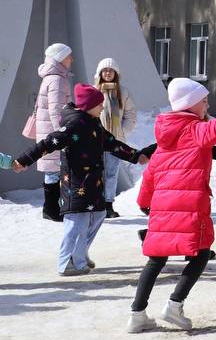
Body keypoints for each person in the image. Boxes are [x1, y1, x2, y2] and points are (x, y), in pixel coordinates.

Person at [129, 78, 216, 332]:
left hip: (162, 207)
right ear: (190, 105)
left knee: (155, 259)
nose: (207, 105)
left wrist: (144, 203)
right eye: (204, 101)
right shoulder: (194, 131)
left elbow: (150, 175)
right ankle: (174, 305)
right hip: (190, 206)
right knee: (201, 253)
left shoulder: (166, 138)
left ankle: (136, 314)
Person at [11, 84, 148, 276]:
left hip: (94, 182)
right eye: (99, 105)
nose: (102, 108)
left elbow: (110, 143)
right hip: (76, 183)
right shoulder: (74, 125)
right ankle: (66, 262)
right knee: (77, 221)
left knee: (99, 214)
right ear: (88, 106)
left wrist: (135, 155)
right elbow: (48, 143)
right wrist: (24, 160)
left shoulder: (94, 123)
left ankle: (79, 254)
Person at [31, 43, 74, 222]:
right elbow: (56, 110)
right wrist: (62, 133)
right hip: (53, 132)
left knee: (53, 171)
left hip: (47, 131)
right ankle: (52, 209)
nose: (72, 59)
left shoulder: (51, 77)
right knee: (54, 171)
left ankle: (51, 208)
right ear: (60, 58)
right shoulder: (57, 79)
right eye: (69, 56)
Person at [93, 58, 138, 219]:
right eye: (104, 70)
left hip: (115, 142)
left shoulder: (123, 92)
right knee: (96, 173)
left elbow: (131, 114)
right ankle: (96, 203)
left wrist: (121, 131)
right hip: (96, 141)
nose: (107, 73)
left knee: (111, 174)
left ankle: (108, 204)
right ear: (99, 73)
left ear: (116, 74)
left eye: (111, 71)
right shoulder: (94, 91)